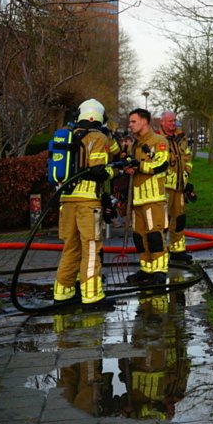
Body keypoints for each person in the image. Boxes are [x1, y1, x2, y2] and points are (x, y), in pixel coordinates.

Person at [53, 99, 121, 307]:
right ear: (100, 117)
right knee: (91, 248)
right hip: (87, 202)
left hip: (66, 200)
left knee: (71, 248)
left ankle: (62, 293)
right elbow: (98, 170)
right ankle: (92, 295)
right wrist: (116, 169)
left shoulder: (67, 134)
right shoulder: (97, 137)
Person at [125, 109, 170, 285]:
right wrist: (128, 168)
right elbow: (133, 167)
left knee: (155, 237)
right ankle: (147, 270)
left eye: (133, 121)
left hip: (153, 199)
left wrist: (138, 165)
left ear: (144, 122)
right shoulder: (133, 145)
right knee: (139, 238)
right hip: (136, 200)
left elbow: (161, 164)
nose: (130, 125)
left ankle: (159, 271)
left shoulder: (159, 141)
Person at [158, 111, 193, 264]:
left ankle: (178, 250)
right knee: (162, 222)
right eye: (170, 121)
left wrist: (187, 172)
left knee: (179, 219)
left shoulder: (181, 137)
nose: (173, 123)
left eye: (174, 121)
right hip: (163, 188)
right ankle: (160, 252)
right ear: (162, 122)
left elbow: (187, 157)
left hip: (180, 187)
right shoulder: (157, 139)